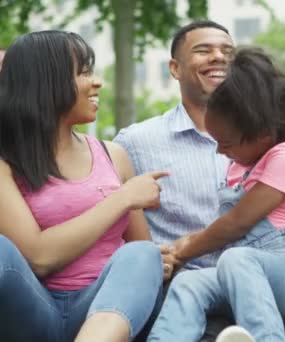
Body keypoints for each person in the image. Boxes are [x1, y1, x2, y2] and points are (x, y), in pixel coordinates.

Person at [114, 20, 285, 341]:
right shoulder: (138, 141)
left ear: (260, 132)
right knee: (189, 286)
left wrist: (186, 247)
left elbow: (236, 223)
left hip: (283, 275)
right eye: (203, 50)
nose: (220, 151)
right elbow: (119, 216)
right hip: (217, 274)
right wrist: (160, 256)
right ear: (175, 67)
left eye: (226, 51)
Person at [0, 31, 168, 341]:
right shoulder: (5, 164)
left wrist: (167, 260)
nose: (97, 82)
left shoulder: (113, 155)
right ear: (45, 83)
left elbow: (141, 254)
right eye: (84, 72)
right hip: (35, 312)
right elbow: (38, 257)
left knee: (143, 254)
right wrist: (122, 198)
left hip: (108, 308)